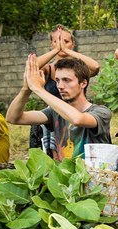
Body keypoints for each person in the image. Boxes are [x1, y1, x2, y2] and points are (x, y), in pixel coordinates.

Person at [6, 55, 111, 161]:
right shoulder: (54, 112)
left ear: (83, 83)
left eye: (66, 80)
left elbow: (77, 119)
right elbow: (13, 118)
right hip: (65, 176)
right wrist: (26, 89)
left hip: (95, 176)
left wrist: (38, 89)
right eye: (57, 80)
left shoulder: (101, 112)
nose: (60, 86)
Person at [30, 24, 101, 154]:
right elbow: (31, 67)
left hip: (77, 116)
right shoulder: (48, 68)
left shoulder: (80, 69)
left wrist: (66, 51)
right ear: (51, 44)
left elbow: (95, 67)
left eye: (65, 41)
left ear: (72, 44)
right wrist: (56, 51)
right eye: (56, 41)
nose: (61, 45)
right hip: (52, 119)